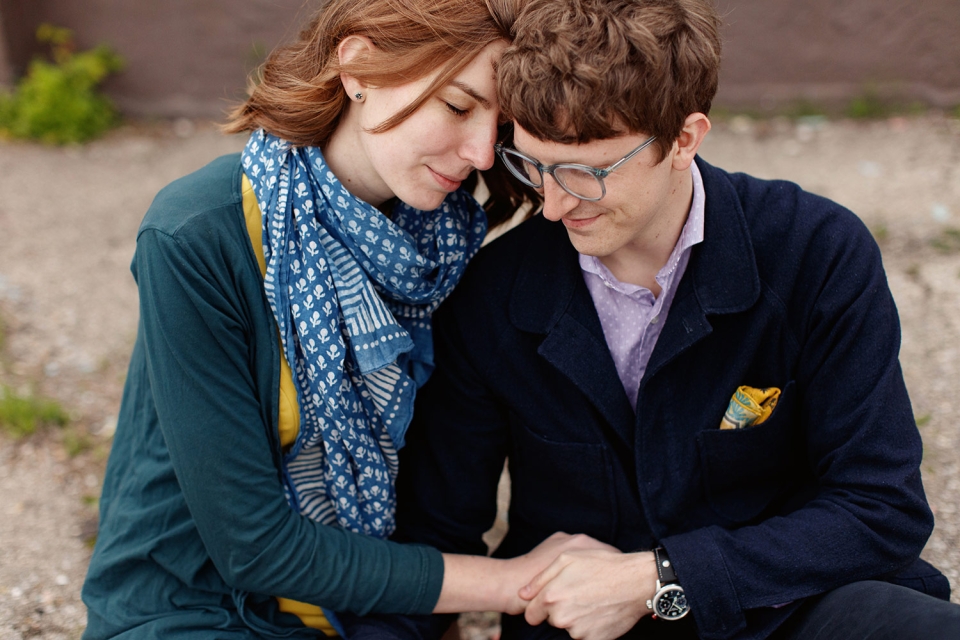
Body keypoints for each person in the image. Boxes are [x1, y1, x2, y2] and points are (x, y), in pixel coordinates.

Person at [347, 0, 960, 639]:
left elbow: (880, 509)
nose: (552, 206)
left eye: (587, 172)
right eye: (534, 165)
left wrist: (662, 577)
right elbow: (436, 534)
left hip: (787, 609)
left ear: (685, 139)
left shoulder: (815, 251)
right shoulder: (492, 294)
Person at [79, 0, 609, 638]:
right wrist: (516, 582)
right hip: (195, 605)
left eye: (498, 128)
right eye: (457, 106)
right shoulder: (198, 236)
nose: (479, 154)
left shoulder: (444, 241)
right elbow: (254, 548)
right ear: (358, 68)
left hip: (370, 601)